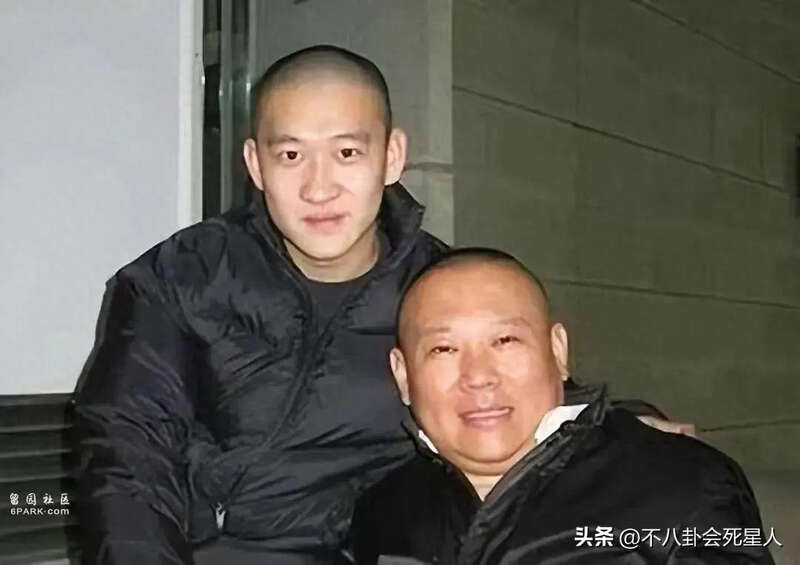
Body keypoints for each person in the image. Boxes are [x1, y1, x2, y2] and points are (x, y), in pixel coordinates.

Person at [72, 45, 444, 564]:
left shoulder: (445, 290)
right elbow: (127, 454)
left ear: (392, 156)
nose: (319, 188)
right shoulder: (183, 276)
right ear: (255, 165)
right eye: (290, 156)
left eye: (346, 153)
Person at [349, 248, 773, 565]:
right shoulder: (382, 511)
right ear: (403, 376)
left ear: (558, 351)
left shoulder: (685, 484)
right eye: (444, 349)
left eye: (505, 341)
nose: (478, 375)